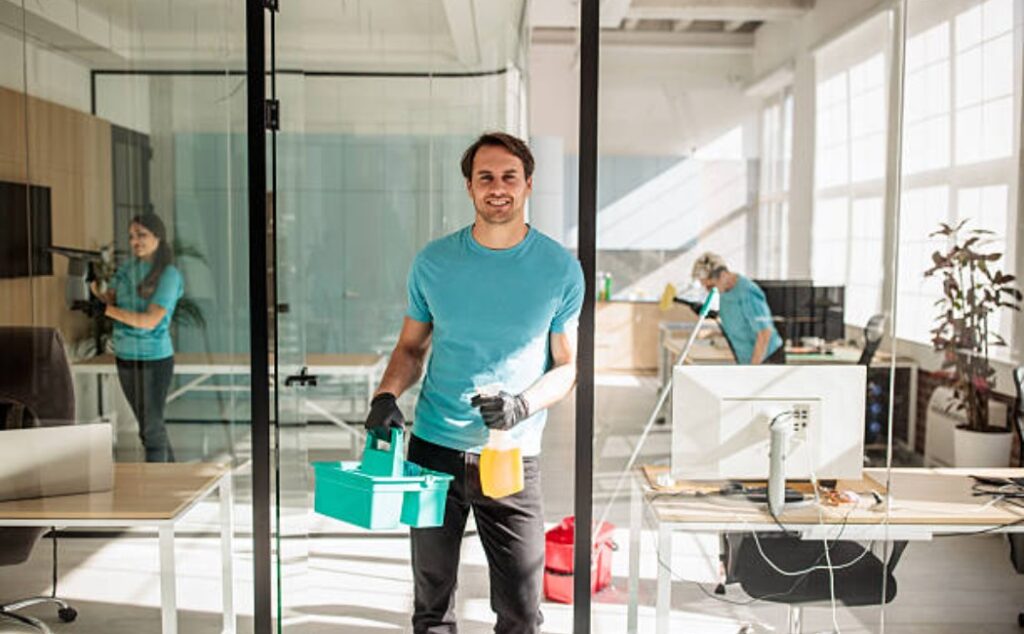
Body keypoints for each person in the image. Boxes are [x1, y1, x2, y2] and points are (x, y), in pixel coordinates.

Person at [364, 132, 584, 634]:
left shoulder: (560, 269)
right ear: (469, 186)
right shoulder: (434, 262)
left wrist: (521, 404)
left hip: (511, 454)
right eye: (485, 177)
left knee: (521, 610)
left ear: (528, 184)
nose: (497, 187)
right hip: (433, 452)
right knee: (431, 605)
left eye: (509, 176)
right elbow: (411, 348)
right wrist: (385, 395)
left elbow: (567, 367)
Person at [91, 214, 184, 462]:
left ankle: (159, 482)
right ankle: (174, 475)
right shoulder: (128, 268)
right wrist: (93, 287)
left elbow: (150, 320)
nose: (135, 241)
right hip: (125, 355)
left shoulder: (169, 275)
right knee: (150, 427)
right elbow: (110, 300)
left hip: (152, 359)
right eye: (131, 236)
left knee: (151, 430)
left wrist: (106, 310)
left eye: (142, 235)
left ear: (158, 237)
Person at [691, 252, 785, 365]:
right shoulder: (724, 292)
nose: (708, 291)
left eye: (710, 286)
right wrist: (712, 333)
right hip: (745, 359)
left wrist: (752, 369)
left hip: (766, 359)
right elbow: (736, 325)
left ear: (723, 275)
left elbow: (764, 333)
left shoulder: (747, 292)